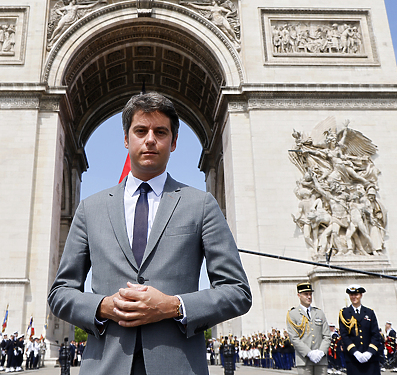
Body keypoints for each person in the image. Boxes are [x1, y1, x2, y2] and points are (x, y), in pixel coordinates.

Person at [48, 92, 252, 375]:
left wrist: (173, 306)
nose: (150, 139)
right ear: (125, 138)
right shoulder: (89, 209)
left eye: (161, 132)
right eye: (140, 131)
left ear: (174, 141)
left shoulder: (201, 205)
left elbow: (238, 292)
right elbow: (60, 293)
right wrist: (103, 307)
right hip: (105, 365)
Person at [287, 282, 332, 375]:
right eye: (306, 294)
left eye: (310, 294)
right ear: (299, 295)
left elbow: (327, 336)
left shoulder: (319, 313)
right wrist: (309, 353)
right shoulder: (293, 314)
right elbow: (294, 338)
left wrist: (321, 352)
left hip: (321, 360)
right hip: (304, 360)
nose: (309, 297)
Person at [338, 285, 381, 375]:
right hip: (353, 358)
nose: (354, 297)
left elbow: (375, 334)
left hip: (370, 358)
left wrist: (369, 352)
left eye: (356, 294)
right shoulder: (344, 313)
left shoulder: (369, 312)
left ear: (361, 295)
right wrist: (355, 352)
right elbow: (344, 335)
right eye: (351, 295)